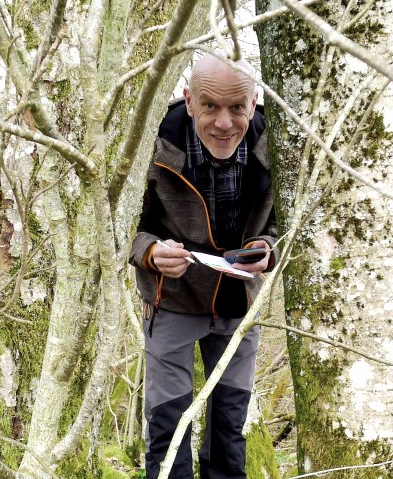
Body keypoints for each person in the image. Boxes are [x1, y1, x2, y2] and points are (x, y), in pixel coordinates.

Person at [129, 53, 277, 479]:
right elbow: (122, 223)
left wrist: (266, 249)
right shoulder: (152, 140)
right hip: (171, 299)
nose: (224, 123)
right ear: (189, 100)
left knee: (230, 426)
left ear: (254, 103)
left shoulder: (275, 145)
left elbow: (286, 226)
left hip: (237, 302)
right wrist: (152, 253)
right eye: (210, 106)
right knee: (168, 425)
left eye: (237, 108)